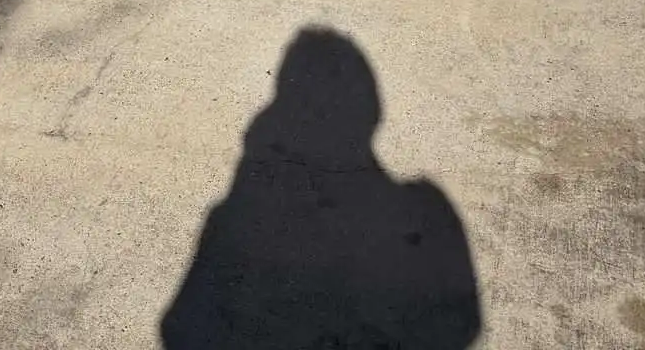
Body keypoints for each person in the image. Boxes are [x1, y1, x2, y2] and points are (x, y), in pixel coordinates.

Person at [161, 27, 481, 348]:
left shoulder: (231, 218)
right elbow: (461, 323)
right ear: (371, 109)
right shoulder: (426, 213)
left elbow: (179, 328)